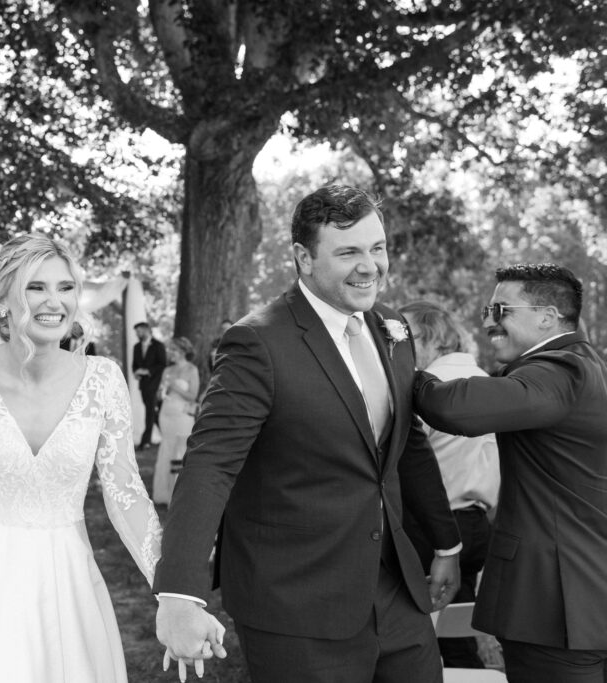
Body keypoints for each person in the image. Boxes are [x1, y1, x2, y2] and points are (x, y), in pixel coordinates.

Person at [154, 184, 461, 683]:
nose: (370, 266)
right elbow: (211, 464)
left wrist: (445, 544)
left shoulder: (391, 326)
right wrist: (180, 593)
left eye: (377, 248)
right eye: (348, 252)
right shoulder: (258, 342)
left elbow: (406, 446)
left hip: (396, 592)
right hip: (295, 599)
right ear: (303, 257)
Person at [0, 233, 168, 682]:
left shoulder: (104, 379)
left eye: (65, 287)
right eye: (35, 287)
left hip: (64, 586)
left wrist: (175, 591)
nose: (53, 301)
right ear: (2, 298)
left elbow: (126, 494)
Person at [414, 263, 607, 683]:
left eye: (501, 309)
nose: (488, 321)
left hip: (556, 609)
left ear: (547, 316)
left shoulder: (560, 370)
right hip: (575, 602)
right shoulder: (587, 364)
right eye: (487, 310)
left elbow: (457, 408)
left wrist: (403, 375)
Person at [399, 300, 500, 668]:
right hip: (477, 525)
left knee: (411, 634)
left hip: (431, 528)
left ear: (424, 337)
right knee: (456, 631)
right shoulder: (489, 383)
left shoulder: (427, 388)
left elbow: (403, 455)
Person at [152, 336, 200, 506]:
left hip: (182, 416)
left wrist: (175, 386)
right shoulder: (167, 370)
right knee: (166, 449)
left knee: (180, 451)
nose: (169, 352)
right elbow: (159, 394)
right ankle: (163, 493)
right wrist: (161, 391)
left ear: (181, 351)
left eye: (172, 349)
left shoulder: (192, 370)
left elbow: (193, 396)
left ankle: (179, 495)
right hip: (166, 414)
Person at [132, 320, 167, 450]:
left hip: (156, 384)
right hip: (144, 385)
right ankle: (167, 434)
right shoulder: (136, 347)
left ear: (147, 330)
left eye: (140, 331)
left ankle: (145, 442)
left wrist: (148, 371)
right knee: (153, 413)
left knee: (150, 413)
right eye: (136, 332)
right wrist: (136, 372)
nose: (138, 333)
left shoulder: (158, 345)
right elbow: (134, 365)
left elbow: (163, 364)